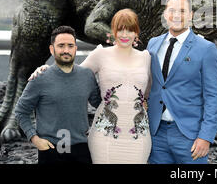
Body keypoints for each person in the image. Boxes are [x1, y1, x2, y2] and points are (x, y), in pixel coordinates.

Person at [27, 9, 152, 163]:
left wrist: (144, 102)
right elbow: (71, 74)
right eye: (120, 29)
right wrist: (45, 70)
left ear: (136, 33)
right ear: (113, 31)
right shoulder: (101, 54)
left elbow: (150, 91)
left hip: (138, 136)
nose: (124, 34)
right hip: (104, 136)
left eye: (130, 29)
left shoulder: (146, 58)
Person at [147, 0, 217, 164]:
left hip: (190, 136)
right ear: (165, 14)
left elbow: (213, 96)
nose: (176, 15)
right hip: (156, 135)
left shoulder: (206, 49)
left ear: (191, 15)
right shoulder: (153, 44)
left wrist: (206, 136)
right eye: (172, 10)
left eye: (182, 11)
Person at [15, 26, 101, 164]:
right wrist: (34, 139)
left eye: (70, 46)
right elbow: (21, 111)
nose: (66, 50)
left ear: (75, 49)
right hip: (50, 150)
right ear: (51, 49)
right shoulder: (40, 78)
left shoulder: (87, 75)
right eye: (61, 46)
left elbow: (101, 104)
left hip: (82, 149)